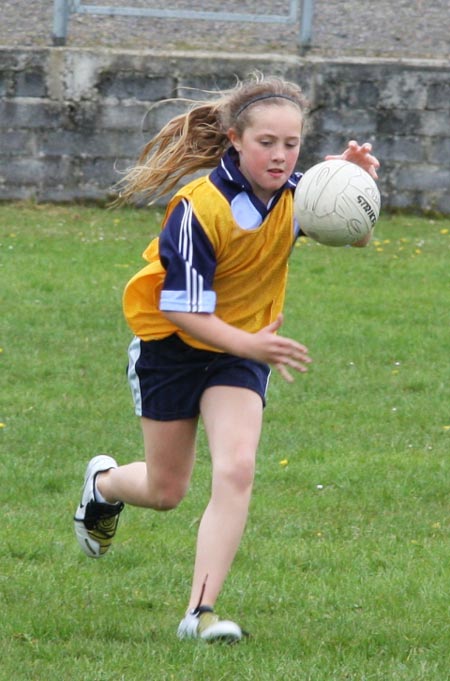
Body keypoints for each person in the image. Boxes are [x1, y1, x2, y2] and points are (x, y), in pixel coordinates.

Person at [74, 73, 380, 643]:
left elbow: (352, 235)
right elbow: (185, 310)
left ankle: (199, 613)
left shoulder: (299, 192)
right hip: (171, 347)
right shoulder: (197, 208)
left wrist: (354, 188)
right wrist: (251, 343)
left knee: (237, 467)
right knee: (167, 491)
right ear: (236, 139)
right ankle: (105, 486)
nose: (282, 156)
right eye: (267, 142)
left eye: (292, 144)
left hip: (239, 353)